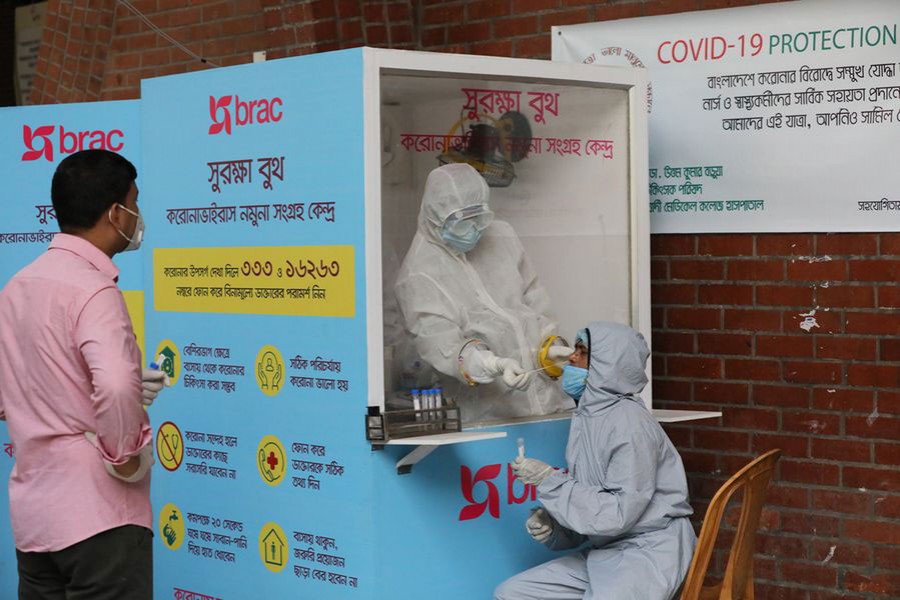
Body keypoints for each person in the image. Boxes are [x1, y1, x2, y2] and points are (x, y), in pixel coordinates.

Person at [0, 149, 166, 599]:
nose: (138, 215)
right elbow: (113, 384)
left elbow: (13, 390)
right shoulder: (93, 290)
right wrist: (124, 455)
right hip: (98, 517)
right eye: (134, 202)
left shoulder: (18, 286)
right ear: (116, 213)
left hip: (35, 520)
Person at [496, 321, 696, 600]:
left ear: (608, 365)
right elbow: (596, 509)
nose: (571, 357)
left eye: (582, 351)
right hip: (608, 551)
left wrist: (549, 482)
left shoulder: (629, 425)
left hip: (649, 552)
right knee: (513, 593)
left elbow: (617, 515)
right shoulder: (589, 418)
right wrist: (555, 527)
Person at [394, 163, 573, 424]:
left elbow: (533, 296)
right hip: (487, 414)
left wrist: (549, 347)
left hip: (546, 399)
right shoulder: (419, 273)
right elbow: (440, 343)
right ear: (435, 219)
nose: (475, 230)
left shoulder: (501, 236)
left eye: (479, 217)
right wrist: (492, 364)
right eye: (461, 223)